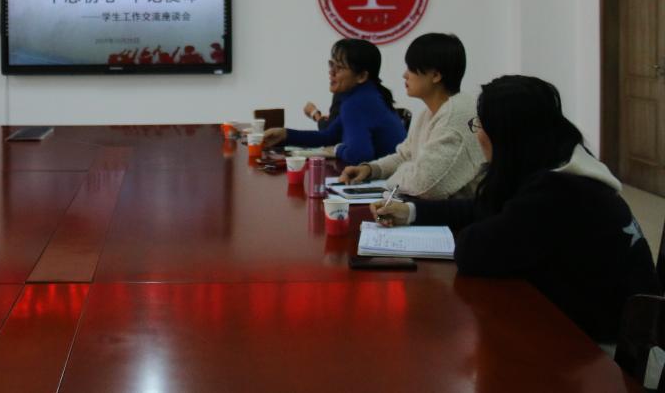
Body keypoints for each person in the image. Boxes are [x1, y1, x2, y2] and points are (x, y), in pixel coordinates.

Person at [371, 75, 661, 342]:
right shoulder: (558, 159)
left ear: (508, 134)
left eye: (481, 125)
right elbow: (486, 209)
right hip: (584, 320)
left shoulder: (558, 191)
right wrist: (411, 212)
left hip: (602, 351)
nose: (478, 134)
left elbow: (474, 252)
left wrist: (487, 221)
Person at [339, 33, 485, 199]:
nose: (405, 75)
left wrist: (398, 176)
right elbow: (406, 156)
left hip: (463, 214)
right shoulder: (429, 113)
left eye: (411, 68)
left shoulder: (456, 117)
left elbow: (425, 185)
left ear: (435, 75)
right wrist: (371, 169)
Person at [263, 39, 406, 163]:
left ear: (361, 76)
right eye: (331, 65)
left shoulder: (358, 102)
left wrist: (337, 149)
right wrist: (285, 134)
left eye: (340, 68)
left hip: (389, 181)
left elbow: (359, 155)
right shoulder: (368, 94)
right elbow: (329, 136)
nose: (331, 72)